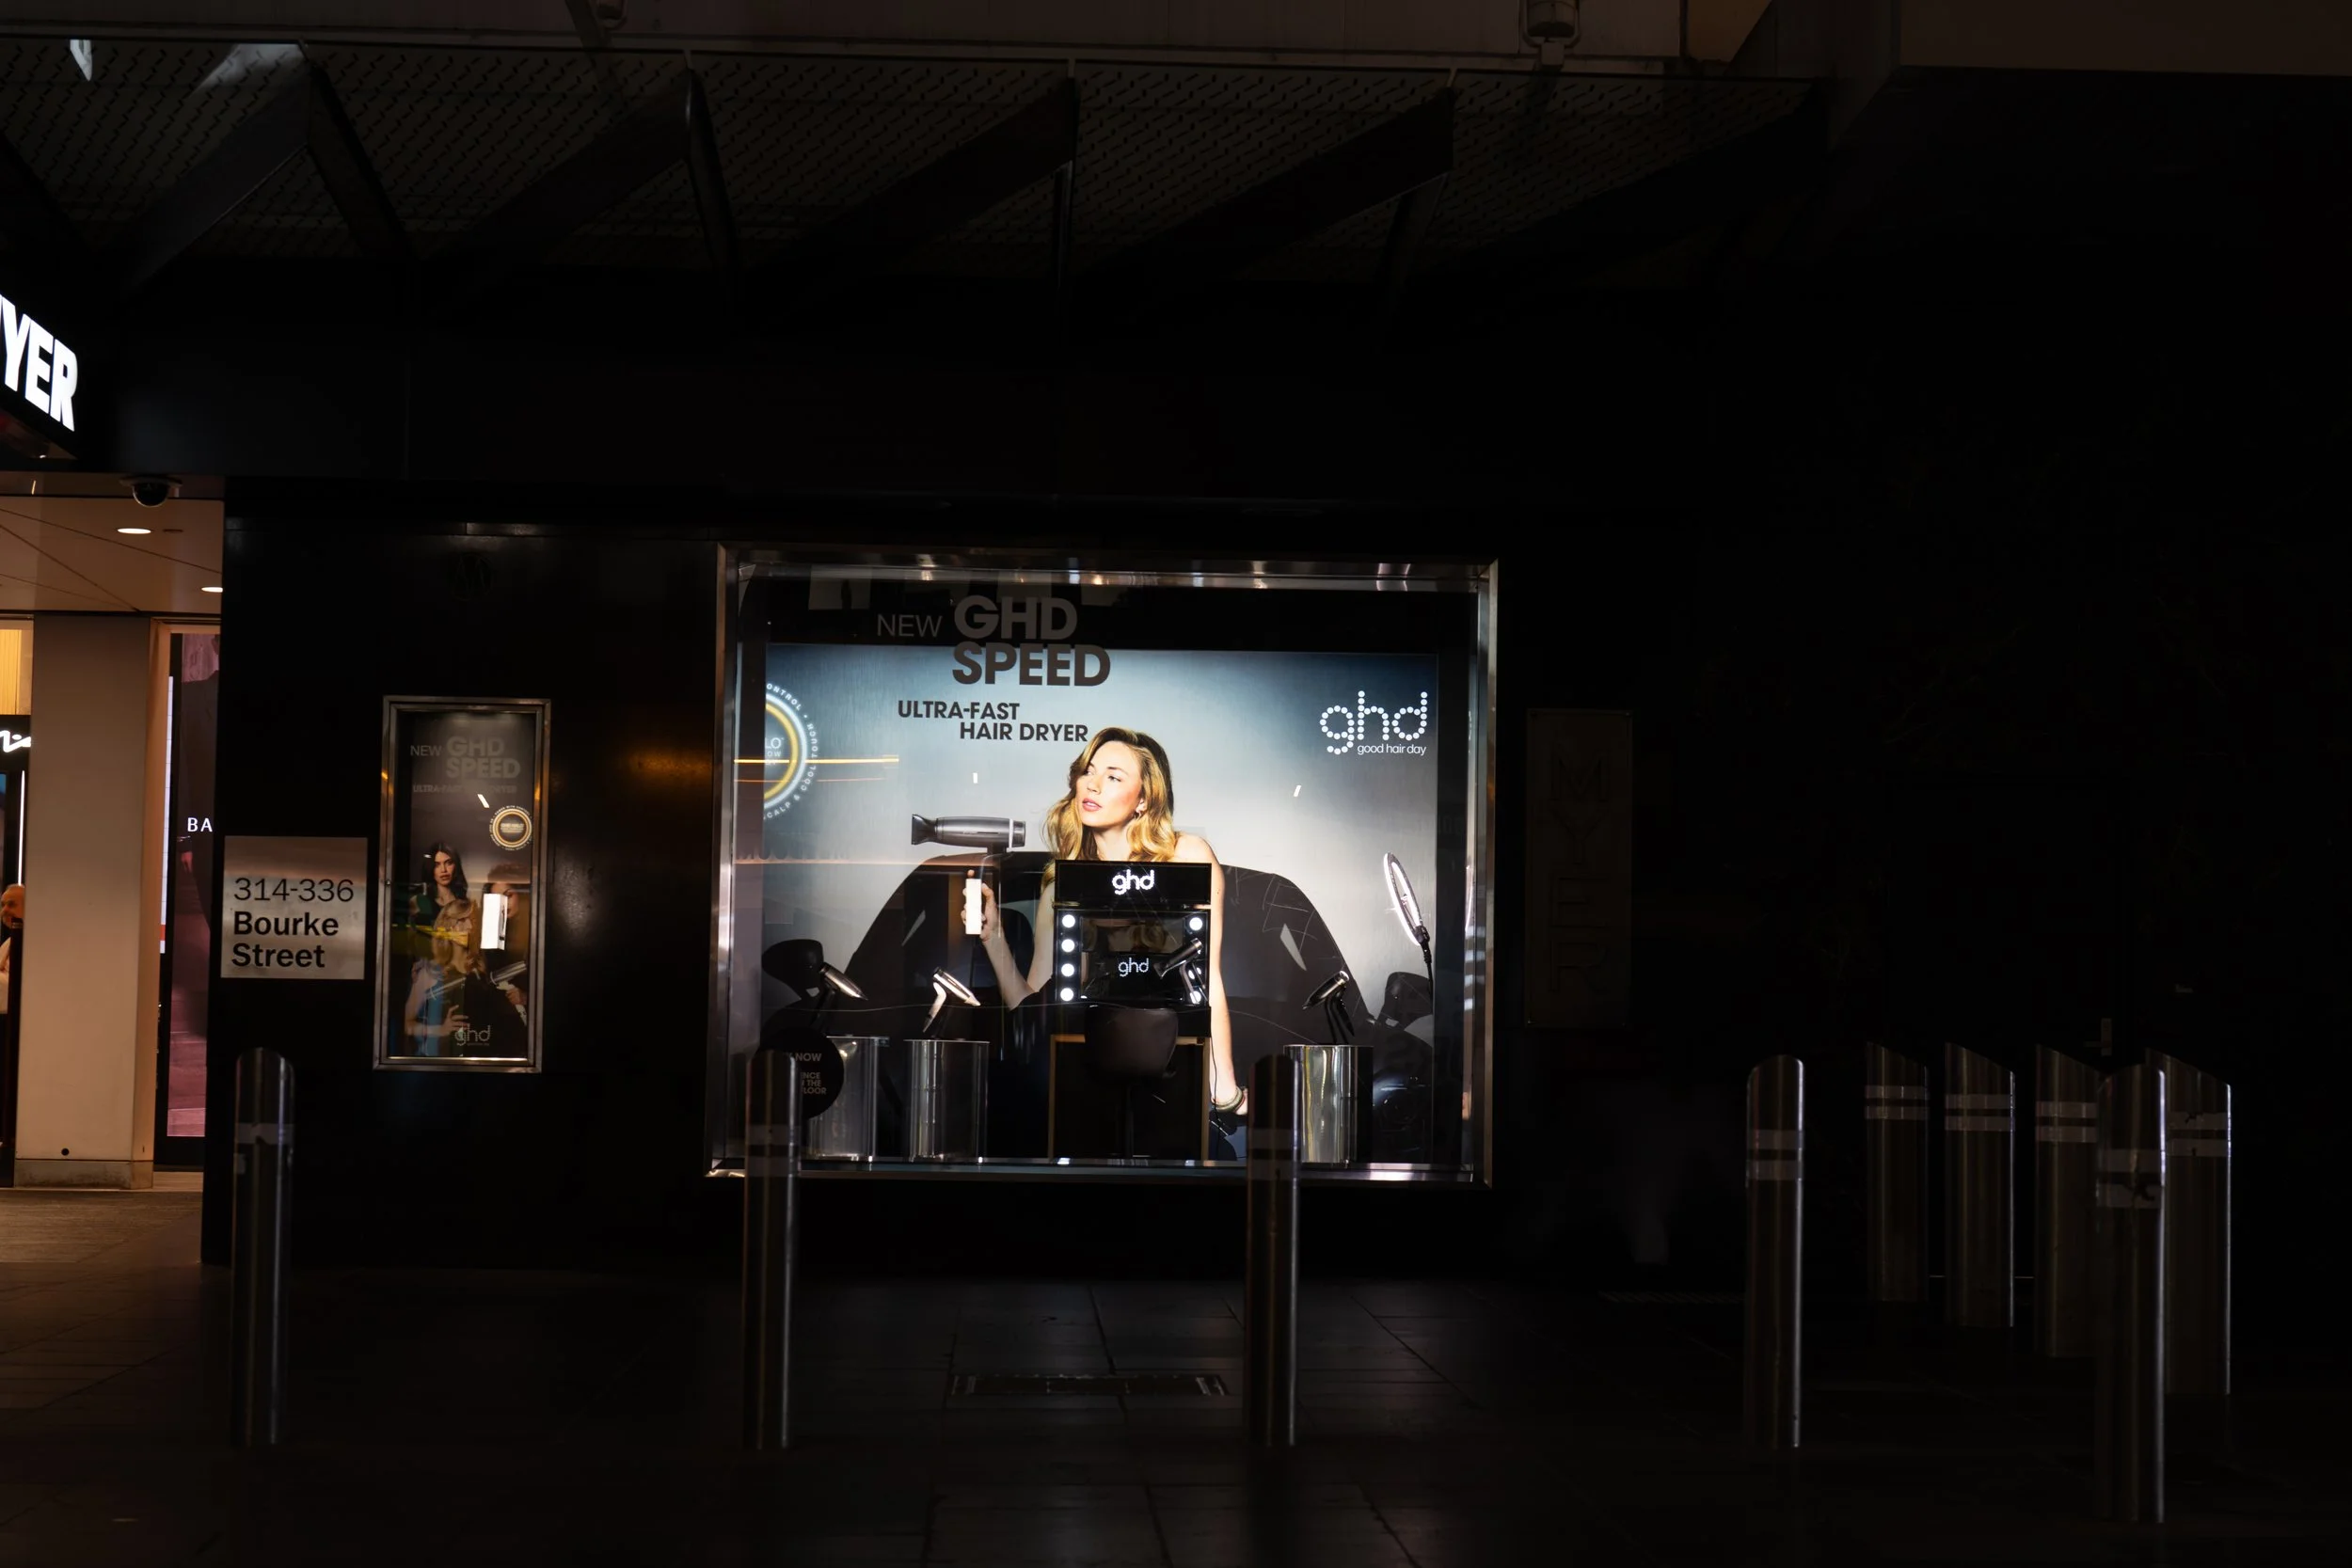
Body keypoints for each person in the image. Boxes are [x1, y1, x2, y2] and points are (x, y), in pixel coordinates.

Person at [976, 728, 1242, 1116]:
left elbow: (1207, 978)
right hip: (1082, 1086)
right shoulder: (1061, 885)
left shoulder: (1185, 858)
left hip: (1170, 1075)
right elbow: (1031, 1005)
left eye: (1113, 777)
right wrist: (994, 937)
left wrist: (1223, 1090)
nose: (1093, 785)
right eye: (1089, 772)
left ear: (1144, 799)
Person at [0, 882, 21, 1018]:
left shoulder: (34, 946)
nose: (5, 910)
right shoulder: (9, 942)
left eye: (12, 904)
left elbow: (17, 988)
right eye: (2, 905)